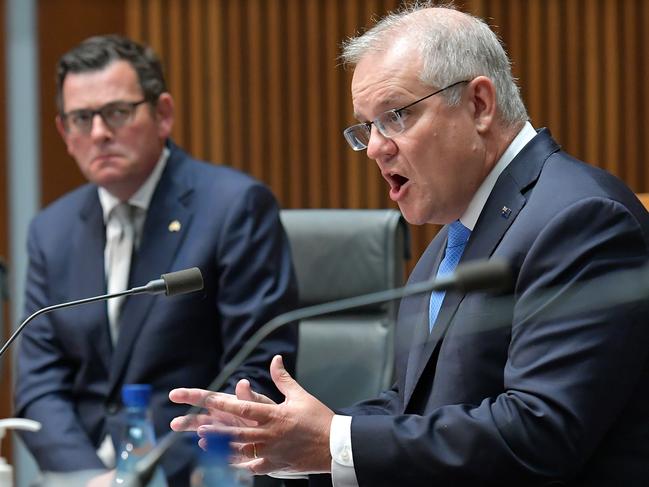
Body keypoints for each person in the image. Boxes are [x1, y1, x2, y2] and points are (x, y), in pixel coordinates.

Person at [168, 4, 649, 487]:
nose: (375, 146)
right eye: (368, 126)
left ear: (479, 104)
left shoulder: (581, 219)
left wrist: (335, 441)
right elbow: (412, 406)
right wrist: (290, 441)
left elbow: (540, 431)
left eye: (395, 116)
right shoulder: (456, 237)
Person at [14, 35, 298, 486]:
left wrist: (141, 476)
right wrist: (90, 477)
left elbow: (252, 372)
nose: (99, 133)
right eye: (81, 118)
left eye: (118, 113)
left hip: (192, 473)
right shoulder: (51, 230)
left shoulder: (234, 208)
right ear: (64, 134)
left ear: (163, 113)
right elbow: (39, 386)